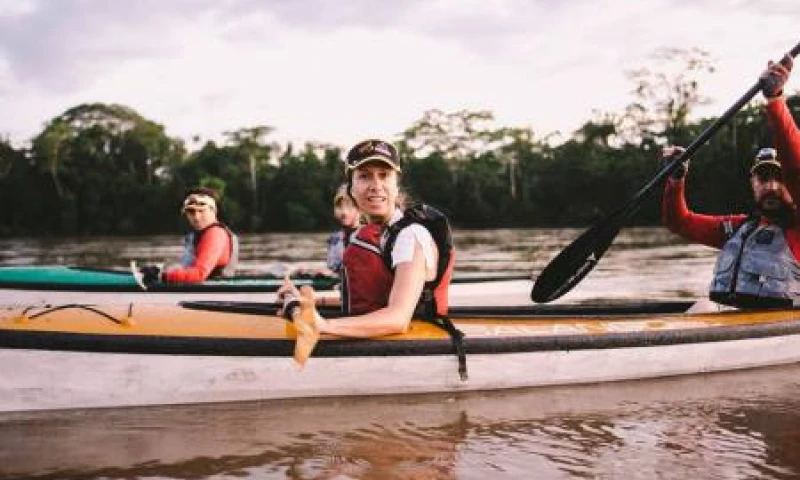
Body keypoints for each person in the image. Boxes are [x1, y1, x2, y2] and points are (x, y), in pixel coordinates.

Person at [278, 139, 463, 374]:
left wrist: (323, 325)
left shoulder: (411, 236)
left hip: (418, 343)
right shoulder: (382, 234)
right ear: (352, 188)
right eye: (365, 176)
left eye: (384, 175)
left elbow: (397, 318)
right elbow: (378, 295)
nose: (375, 185)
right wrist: (312, 302)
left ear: (397, 185)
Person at [661, 53, 799, 309]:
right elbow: (679, 222)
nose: (771, 186)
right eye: (763, 178)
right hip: (729, 326)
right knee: (700, 307)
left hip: (774, 332)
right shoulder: (737, 229)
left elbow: (795, 164)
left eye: (780, 180)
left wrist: (776, 99)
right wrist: (676, 180)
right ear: (752, 183)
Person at [139, 187, 239, 285]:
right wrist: (158, 270)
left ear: (213, 211)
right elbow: (184, 266)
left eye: (201, 211)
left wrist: (161, 276)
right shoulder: (196, 235)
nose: (196, 217)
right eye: (191, 211)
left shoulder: (215, 234)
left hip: (214, 294)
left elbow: (199, 274)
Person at [324, 183, 361, 276]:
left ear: (360, 209)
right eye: (339, 206)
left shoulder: (367, 237)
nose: (344, 212)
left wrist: (333, 273)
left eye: (349, 206)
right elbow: (331, 267)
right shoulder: (333, 239)